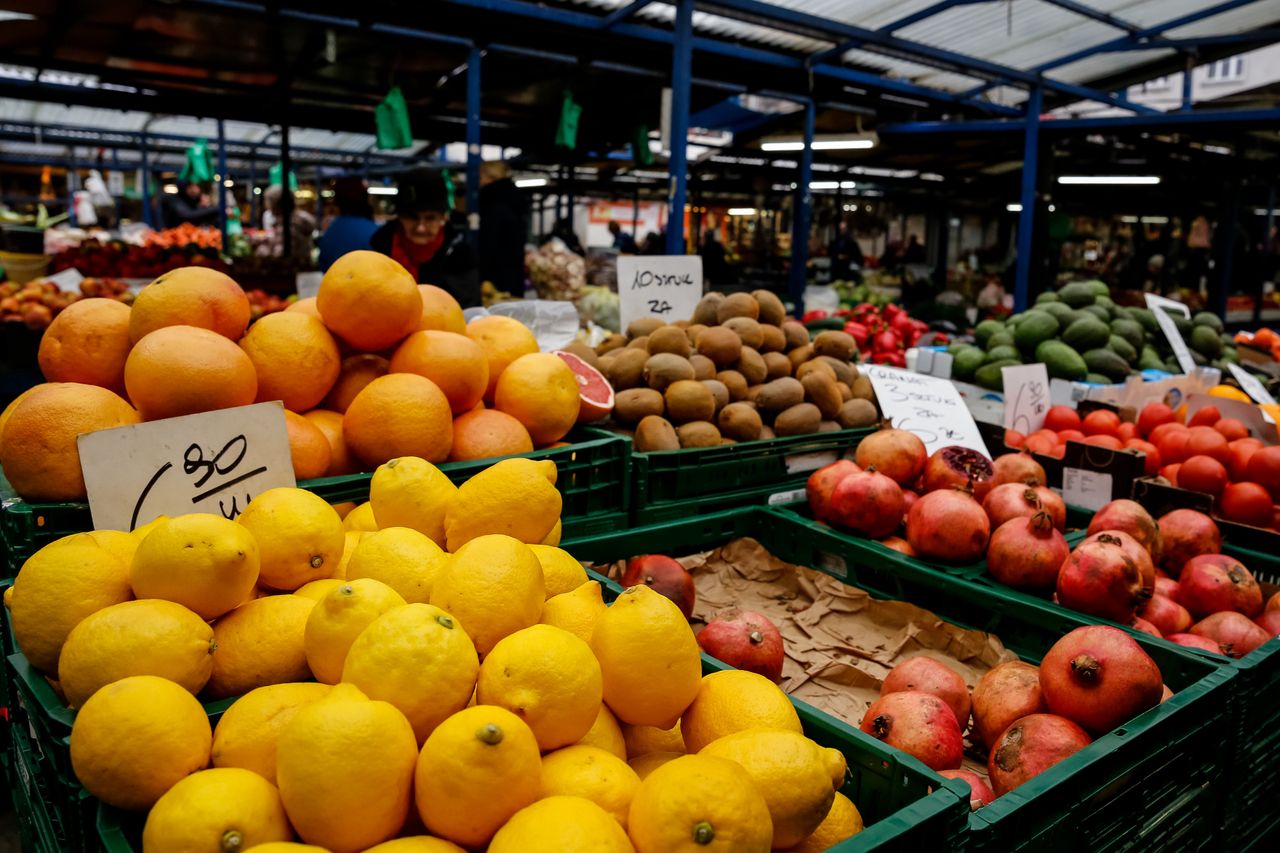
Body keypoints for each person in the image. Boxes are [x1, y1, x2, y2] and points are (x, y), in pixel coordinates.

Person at [371, 169, 480, 307]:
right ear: (399, 217)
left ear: (443, 217)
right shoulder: (379, 250)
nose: (420, 227)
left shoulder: (460, 256)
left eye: (430, 218)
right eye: (412, 217)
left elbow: (469, 307)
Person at [478, 162, 529, 296]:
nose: (478, 183)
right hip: (513, 277)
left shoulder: (492, 204)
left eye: (480, 178)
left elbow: (488, 246)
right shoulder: (515, 200)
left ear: (490, 178)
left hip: (495, 280)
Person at [316, 177, 377, 271]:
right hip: (370, 284)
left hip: (333, 284)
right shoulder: (374, 232)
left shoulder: (331, 231)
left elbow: (322, 264)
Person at [262, 184, 316, 264]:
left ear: (276, 204)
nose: (267, 205)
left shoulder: (289, 224)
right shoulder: (300, 218)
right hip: (303, 267)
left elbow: (280, 254)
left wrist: (264, 251)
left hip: (295, 269)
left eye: (268, 201)